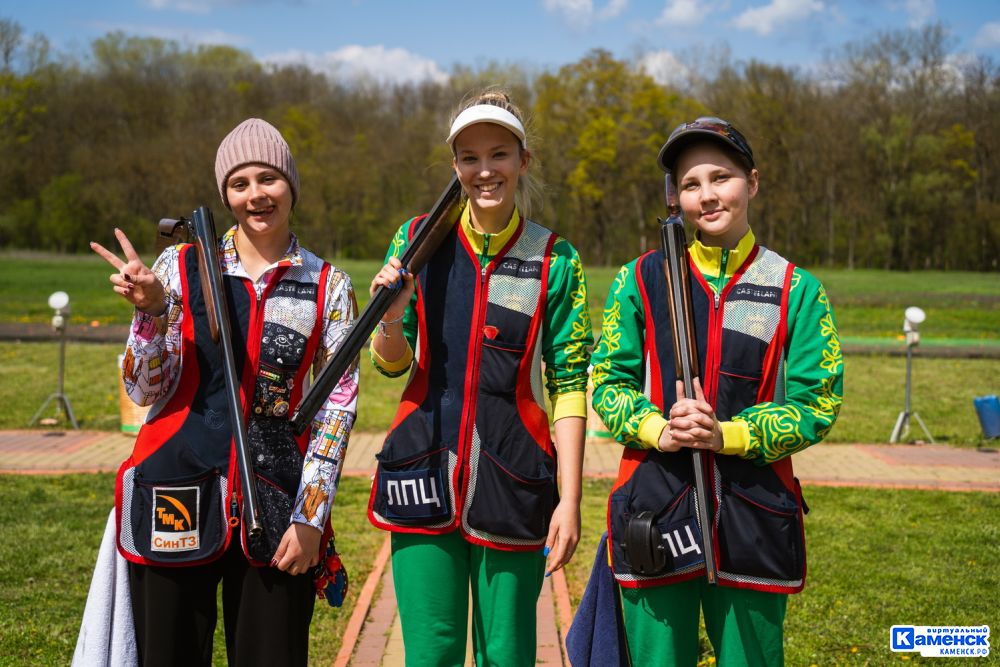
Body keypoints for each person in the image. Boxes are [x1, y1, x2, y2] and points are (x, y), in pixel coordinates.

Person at [89, 118, 359, 666]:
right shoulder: (179, 266)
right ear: (225, 195)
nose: (256, 195)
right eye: (239, 183)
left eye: (268, 178)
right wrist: (151, 313)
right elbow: (143, 389)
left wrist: (311, 517)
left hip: (278, 503)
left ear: (290, 185)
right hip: (175, 494)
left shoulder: (328, 284)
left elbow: (337, 407)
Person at [590, 116, 844, 666]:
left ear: (751, 182)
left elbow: (817, 403)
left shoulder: (795, 288)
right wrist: (661, 429)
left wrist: (726, 434)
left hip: (755, 514)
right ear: (674, 197)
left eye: (720, 177)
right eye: (689, 183)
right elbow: (607, 383)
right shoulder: (639, 279)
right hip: (655, 507)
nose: (707, 195)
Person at [367, 89, 593, 666]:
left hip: (516, 475)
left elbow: (568, 383)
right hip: (421, 464)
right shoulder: (417, 240)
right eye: (469, 157)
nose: (484, 170)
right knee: (432, 652)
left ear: (523, 161)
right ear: (454, 166)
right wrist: (390, 320)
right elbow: (392, 363)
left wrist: (569, 498)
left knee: (507, 654)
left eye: (499, 154)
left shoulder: (555, 259)